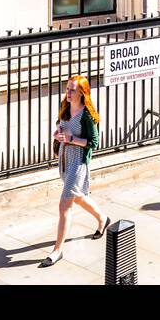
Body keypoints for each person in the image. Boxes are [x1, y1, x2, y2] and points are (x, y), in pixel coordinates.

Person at [40, 74, 109, 267]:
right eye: (67, 88)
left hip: (78, 162)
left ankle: (57, 250)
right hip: (64, 159)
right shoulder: (65, 107)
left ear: (82, 92)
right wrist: (57, 138)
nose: (68, 93)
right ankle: (103, 219)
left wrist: (71, 139)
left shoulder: (87, 115)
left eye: (72, 90)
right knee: (77, 197)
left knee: (64, 205)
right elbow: (60, 126)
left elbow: (94, 143)